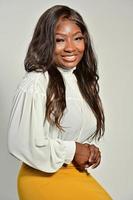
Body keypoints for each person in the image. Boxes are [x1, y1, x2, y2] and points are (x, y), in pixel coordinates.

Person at [7, 5, 112, 200]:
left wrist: (88, 150)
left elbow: (66, 134)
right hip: (41, 177)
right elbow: (21, 142)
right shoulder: (36, 81)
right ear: (46, 43)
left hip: (75, 173)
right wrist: (73, 150)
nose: (71, 47)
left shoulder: (81, 82)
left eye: (78, 38)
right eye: (60, 40)